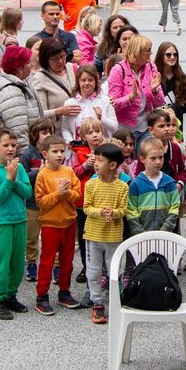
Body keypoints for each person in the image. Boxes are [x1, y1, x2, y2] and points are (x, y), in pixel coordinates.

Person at [0, 127, 33, 320]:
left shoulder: (19, 167)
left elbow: (27, 193)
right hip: (2, 222)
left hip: (20, 220)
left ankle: (10, 295)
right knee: (1, 263)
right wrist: (9, 179)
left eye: (13, 145)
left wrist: (14, 179)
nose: (10, 148)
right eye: (6, 145)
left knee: (17, 263)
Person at [34, 134, 82, 315]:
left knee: (67, 262)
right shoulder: (42, 175)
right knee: (47, 262)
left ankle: (64, 292)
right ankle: (42, 296)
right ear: (45, 153)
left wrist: (68, 193)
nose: (60, 155)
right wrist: (58, 194)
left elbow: (77, 196)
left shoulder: (68, 172)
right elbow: (41, 202)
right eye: (55, 151)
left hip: (69, 224)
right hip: (50, 225)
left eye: (62, 151)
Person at [82, 142, 128, 324]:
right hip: (93, 236)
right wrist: (100, 212)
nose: (96, 163)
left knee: (116, 269)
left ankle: (116, 301)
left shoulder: (122, 186)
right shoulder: (91, 185)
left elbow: (123, 209)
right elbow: (86, 208)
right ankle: (97, 303)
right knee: (93, 271)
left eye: (100, 160)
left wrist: (114, 214)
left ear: (112, 165)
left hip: (114, 236)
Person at [0, 45, 44, 153]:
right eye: (28, 62)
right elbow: (18, 131)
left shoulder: (22, 85)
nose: (32, 65)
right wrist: (26, 159)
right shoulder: (12, 92)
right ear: (19, 67)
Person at [108, 34, 165, 151]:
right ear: (137, 52)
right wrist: (130, 98)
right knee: (128, 165)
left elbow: (160, 102)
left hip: (146, 126)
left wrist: (154, 91)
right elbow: (112, 105)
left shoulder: (151, 66)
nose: (151, 54)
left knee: (147, 160)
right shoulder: (118, 70)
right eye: (148, 51)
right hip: (125, 130)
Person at [71, 118, 105, 290]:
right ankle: (86, 265)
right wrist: (86, 165)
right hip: (83, 201)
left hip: (102, 200)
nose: (95, 135)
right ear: (83, 136)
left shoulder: (107, 151)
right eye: (90, 132)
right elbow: (74, 173)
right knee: (84, 236)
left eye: (97, 131)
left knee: (99, 236)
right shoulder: (79, 152)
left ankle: (102, 267)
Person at [18, 118, 53, 283]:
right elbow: (22, 176)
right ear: (35, 134)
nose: (48, 136)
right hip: (31, 202)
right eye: (44, 132)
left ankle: (53, 266)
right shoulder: (27, 153)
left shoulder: (54, 152)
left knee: (50, 237)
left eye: (51, 132)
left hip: (49, 202)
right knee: (31, 237)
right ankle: (31, 263)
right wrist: (39, 172)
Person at [127, 137, 180, 234]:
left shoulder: (169, 182)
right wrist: (139, 231)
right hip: (141, 236)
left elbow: (175, 206)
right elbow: (131, 209)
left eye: (161, 157)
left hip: (166, 235)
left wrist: (166, 228)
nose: (158, 162)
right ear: (142, 159)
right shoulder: (136, 184)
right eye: (153, 158)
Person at [31, 37, 77, 133]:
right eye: (55, 59)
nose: (60, 61)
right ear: (46, 59)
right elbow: (40, 114)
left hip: (79, 129)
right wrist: (59, 111)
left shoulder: (74, 69)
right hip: (57, 133)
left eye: (62, 56)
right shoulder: (39, 78)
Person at [61, 64, 117, 141]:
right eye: (83, 80)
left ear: (95, 81)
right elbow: (65, 128)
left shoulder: (106, 101)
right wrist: (71, 143)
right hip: (78, 148)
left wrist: (101, 118)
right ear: (78, 82)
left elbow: (114, 128)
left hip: (101, 148)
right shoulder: (70, 103)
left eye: (90, 80)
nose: (86, 83)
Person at [154, 42, 186, 120]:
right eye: (168, 54)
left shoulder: (180, 76)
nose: (172, 57)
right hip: (156, 121)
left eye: (175, 54)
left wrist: (173, 109)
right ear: (161, 56)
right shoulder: (153, 74)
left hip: (175, 122)